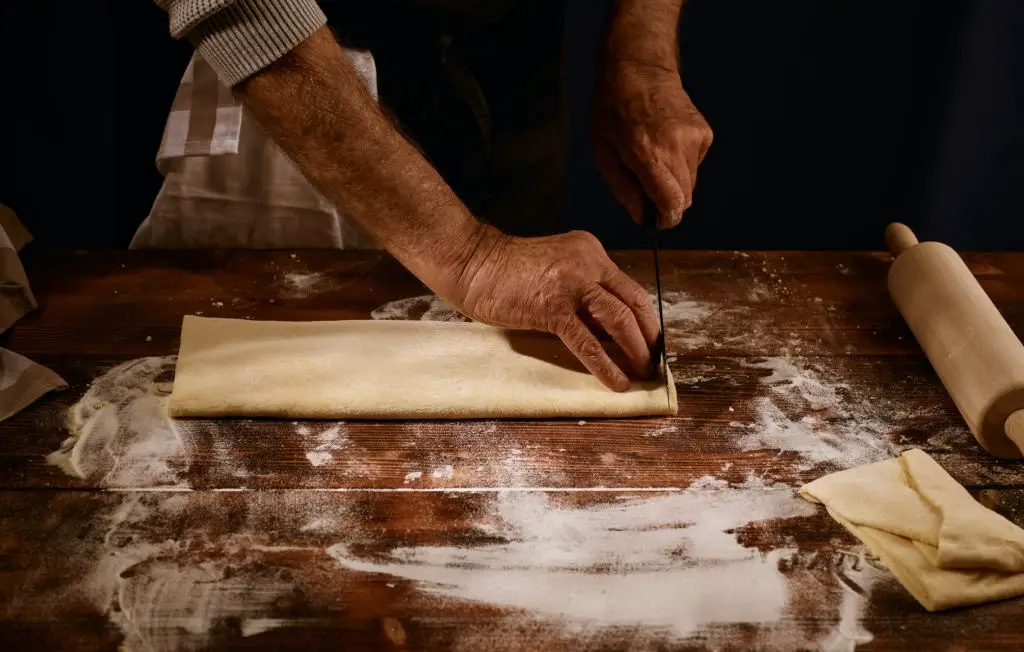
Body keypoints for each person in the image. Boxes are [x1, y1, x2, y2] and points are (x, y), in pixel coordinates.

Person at [148, 0, 713, 392]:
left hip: (508, 79)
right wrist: (473, 258)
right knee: (287, 357)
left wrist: (641, 57)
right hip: (301, 84)